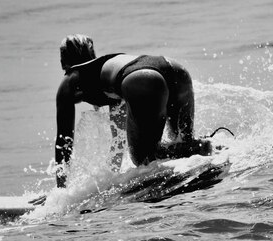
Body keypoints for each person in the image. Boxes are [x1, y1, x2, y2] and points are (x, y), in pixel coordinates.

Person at [54, 34, 210, 187]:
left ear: (62, 61)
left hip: (141, 78)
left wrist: (61, 191)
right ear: (92, 54)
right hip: (173, 68)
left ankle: (201, 149)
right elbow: (118, 135)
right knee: (184, 142)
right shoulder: (108, 68)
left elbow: (63, 142)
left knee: (144, 161)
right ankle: (207, 148)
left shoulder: (70, 80)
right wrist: (112, 175)